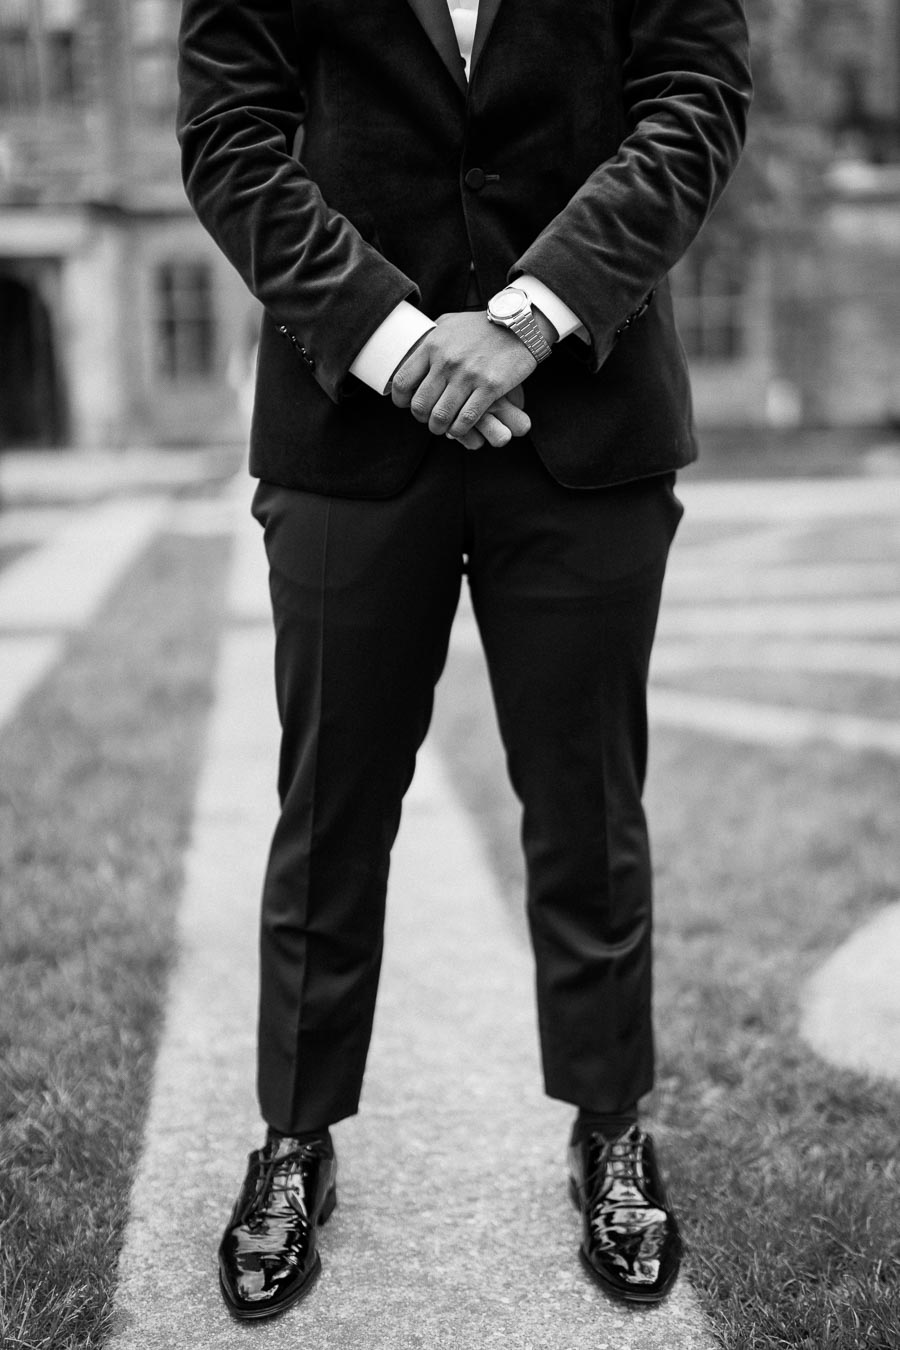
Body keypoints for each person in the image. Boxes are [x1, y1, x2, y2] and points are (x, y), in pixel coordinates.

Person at [177, 0, 751, 1321]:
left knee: (589, 800)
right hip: (344, 425)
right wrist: (392, 335)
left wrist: (531, 313)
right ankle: (294, 1139)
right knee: (328, 807)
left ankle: (611, 1130)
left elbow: (693, 103)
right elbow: (228, 134)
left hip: (588, 416)